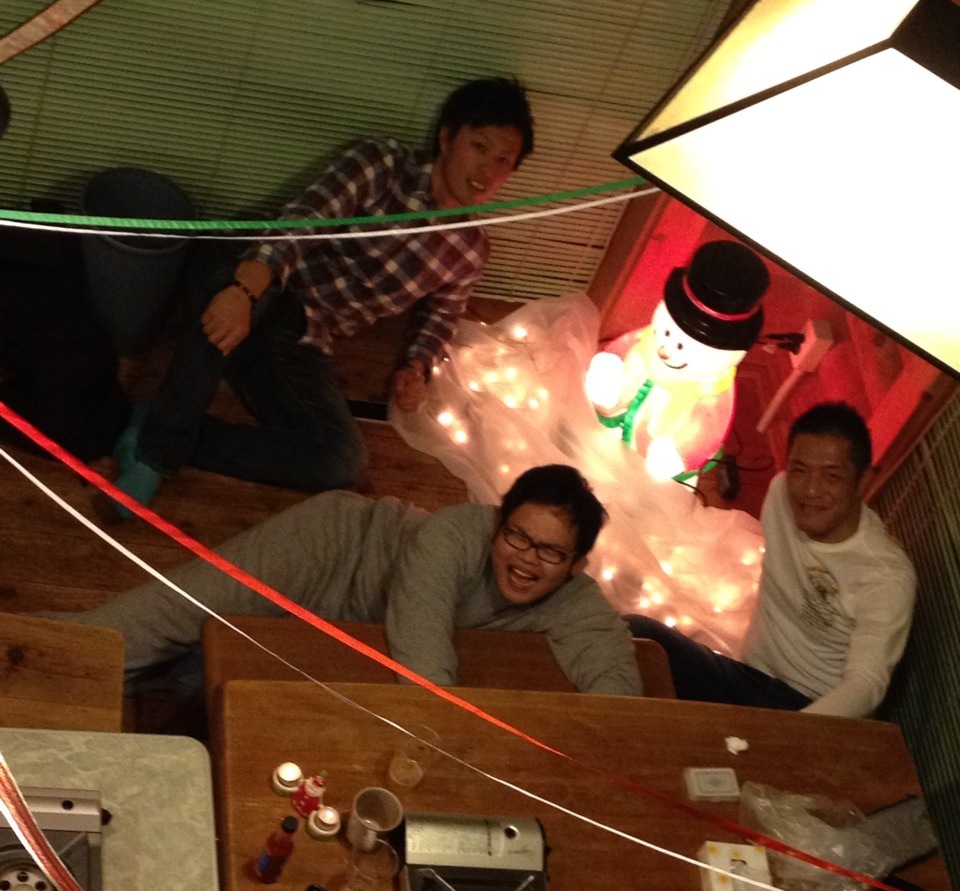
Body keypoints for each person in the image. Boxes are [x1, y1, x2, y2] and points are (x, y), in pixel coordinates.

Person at [111, 76, 534, 515]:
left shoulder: (469, 251)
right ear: (447, 138)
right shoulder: (385, 164)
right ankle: (155, 457)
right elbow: (304, 220)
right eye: (479, 147)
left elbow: (440, 316)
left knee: (341, 460)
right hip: (264, 278)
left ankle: (160, 425)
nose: (487, 170)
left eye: (503, 160)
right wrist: (245, 289)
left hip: (302, 339)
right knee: (227, 282)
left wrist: (417, 366)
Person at [53, 464, 643, 695]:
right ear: (497, 523)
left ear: (576, 565)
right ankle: (31, 662)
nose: (526, 559)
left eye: (550, 551)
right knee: (156, 623)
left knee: (188, 677)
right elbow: (425, 664)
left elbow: (617, 689)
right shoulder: (455, 535)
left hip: (351, 631)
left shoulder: (575, 601)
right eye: (517, 536)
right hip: (331, 550)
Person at [627, 402, 916, 717]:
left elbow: (866, 684)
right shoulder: (781, 495)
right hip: (744, 678)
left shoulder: (884, 576)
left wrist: (788, 734)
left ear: (862, 482)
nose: (810, 490)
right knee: (634, 634)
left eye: (831, 476)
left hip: (804, 705)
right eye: (800, 470)